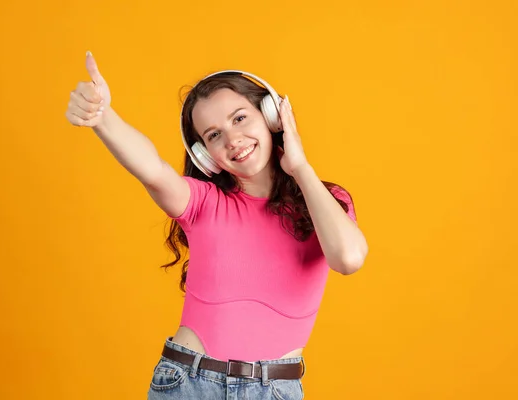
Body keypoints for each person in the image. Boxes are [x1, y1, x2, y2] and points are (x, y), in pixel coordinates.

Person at [65, 51, 368, 399]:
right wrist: (103, 118)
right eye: (213, 135)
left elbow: (348, 258)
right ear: (204, 155)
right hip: (188, 384)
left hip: (274, 390)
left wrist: (299, 166)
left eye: (240, 118)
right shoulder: (202, 202)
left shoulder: (327, 201)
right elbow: (152, 168)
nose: (232, 140)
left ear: (271, 117)